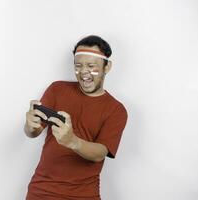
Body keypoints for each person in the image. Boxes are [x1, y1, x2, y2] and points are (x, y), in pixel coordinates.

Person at [24, 35, 128, 200]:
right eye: (78, 66)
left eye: (91, 66)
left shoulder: (116, 110)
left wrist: (73, 141)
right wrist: (30, 126)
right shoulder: (57, 89)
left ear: (107, 67)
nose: (84, 72)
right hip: (41, 191)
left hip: (84, 195)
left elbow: (100, 153)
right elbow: (34, 132)